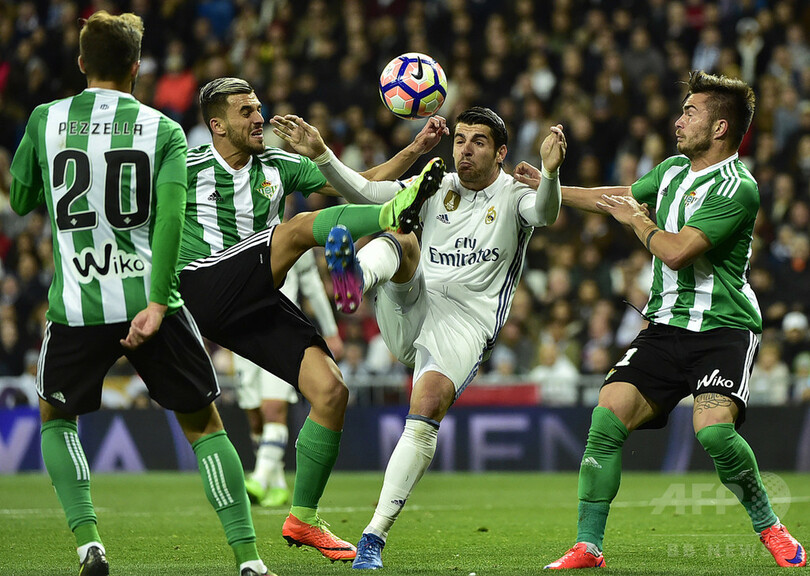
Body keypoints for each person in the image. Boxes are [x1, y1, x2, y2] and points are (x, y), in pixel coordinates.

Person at [7, 12, 273, 576]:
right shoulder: (163, 130)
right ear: (135, 68)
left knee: (56, 416)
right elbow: (172, 220)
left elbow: (23, 199)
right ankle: (249, 560)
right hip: (153, 303)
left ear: (82, 63)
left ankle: (89, 545)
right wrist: (156, 303)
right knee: (204, 426)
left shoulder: (45, 119)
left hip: (78, 303)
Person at [271, 106, 567, 569]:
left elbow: (545, 212)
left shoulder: (514, 195)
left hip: (465, 323)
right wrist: (322, 153)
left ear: (501, 152)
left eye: (478, 142)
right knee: (400, 230)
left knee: (426, 406)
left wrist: (549, 172)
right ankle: (353, 281)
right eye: (460, 139)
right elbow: (366, 192)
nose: (465, 150)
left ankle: (373, 537)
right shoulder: (437, 184)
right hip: (415, 299)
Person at [177, 77, 447, 562]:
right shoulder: (184, 166)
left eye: (259, 107)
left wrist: (414, 149)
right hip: (202, 285)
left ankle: (303, 517)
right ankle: (395, 217)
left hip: (254, 296)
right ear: (216, 125)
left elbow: (359, 184)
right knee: (300, 228)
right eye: (245, 112)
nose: (259, 118)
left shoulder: (277, 165)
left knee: (331, 391)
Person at [544, 70, 806, 569]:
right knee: (606, 417)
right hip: (665, 327)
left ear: (721, 127)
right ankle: (588, 545)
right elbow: (617, 197)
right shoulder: (669, 170)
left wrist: (639, 220)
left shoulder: (739, 188)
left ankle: (770, 526)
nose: (678, 120)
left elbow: (678, 251)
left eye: (690, 112)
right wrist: (547, 183)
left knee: (714, 433)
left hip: (723, 328)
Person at [239, 248, 344, 508]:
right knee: (254, 415)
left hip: (279, 331)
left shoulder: (291, 237)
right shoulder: (236, 234)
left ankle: (259, 478)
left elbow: (312, 284)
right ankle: (277, 484)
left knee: (272, 408)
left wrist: (330, 330)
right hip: (241, 331)